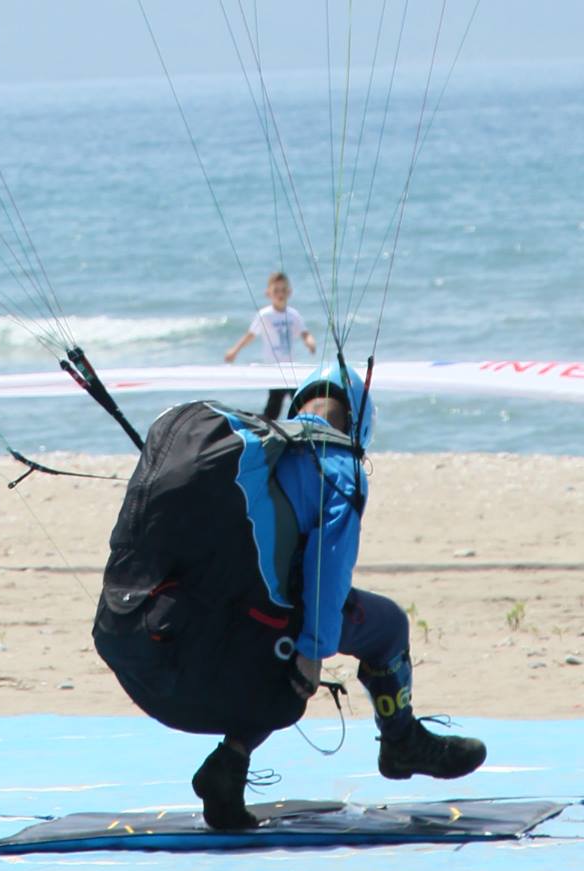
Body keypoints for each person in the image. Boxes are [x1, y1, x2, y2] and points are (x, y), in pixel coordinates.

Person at [94, 362, 486, 831]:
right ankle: (400, 741)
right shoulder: (338, 467)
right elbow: (328, 575)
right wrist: (313, 654)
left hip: (139, 655)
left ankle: (227, 772)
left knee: (271, 630)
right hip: (204, 674)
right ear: (359, 422)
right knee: (384, 628)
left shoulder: (248, 455)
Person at [224, 271, 317, 418]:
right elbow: (250, 335)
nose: (280, 294)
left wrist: (310, 342)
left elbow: (304, 333)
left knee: (299, 403)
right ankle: (264, 426)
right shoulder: (265, 315)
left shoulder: (293, 315)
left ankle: (302, 425)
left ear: (289, 292)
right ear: (268, 293)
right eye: (276, 290)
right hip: (274, 369)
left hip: (291, 368)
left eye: (283, 290)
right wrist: (234, 351)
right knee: (274, 405)